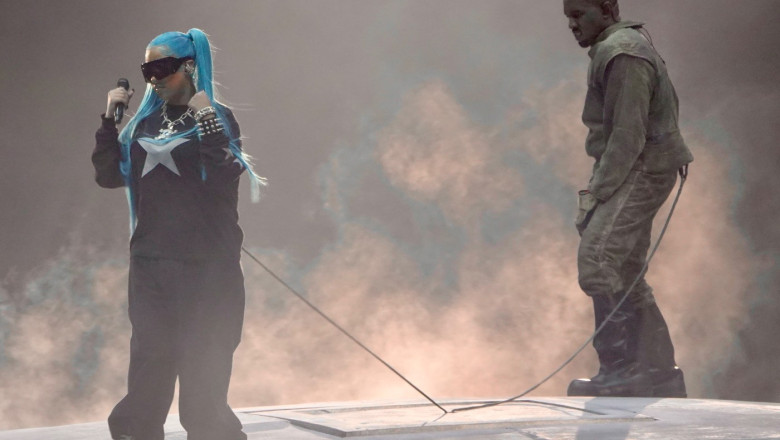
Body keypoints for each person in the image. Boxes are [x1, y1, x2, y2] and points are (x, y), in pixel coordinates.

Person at [93, 28, 264, 440]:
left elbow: (224, 176)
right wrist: (108, 122)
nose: (152, 79)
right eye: (146, 70)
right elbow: (108, 176)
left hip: (208, 270)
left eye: (161, 69)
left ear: (188, 66)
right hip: (153, 265)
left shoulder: (217, 116)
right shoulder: (144, 123)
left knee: (204, 381)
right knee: (150, 364)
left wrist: (206, 116)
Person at [562, 0, 693, 397]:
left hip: (642, 166)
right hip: (644, 164)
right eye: (568, 17)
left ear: (607, 9)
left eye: (579, 14)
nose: (572, 24)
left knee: (598, 259)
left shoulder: (621, 53)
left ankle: (621, 371)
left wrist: (598, 194)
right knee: (627, 267)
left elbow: (627, 137)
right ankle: (658, 372)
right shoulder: (621, 46)